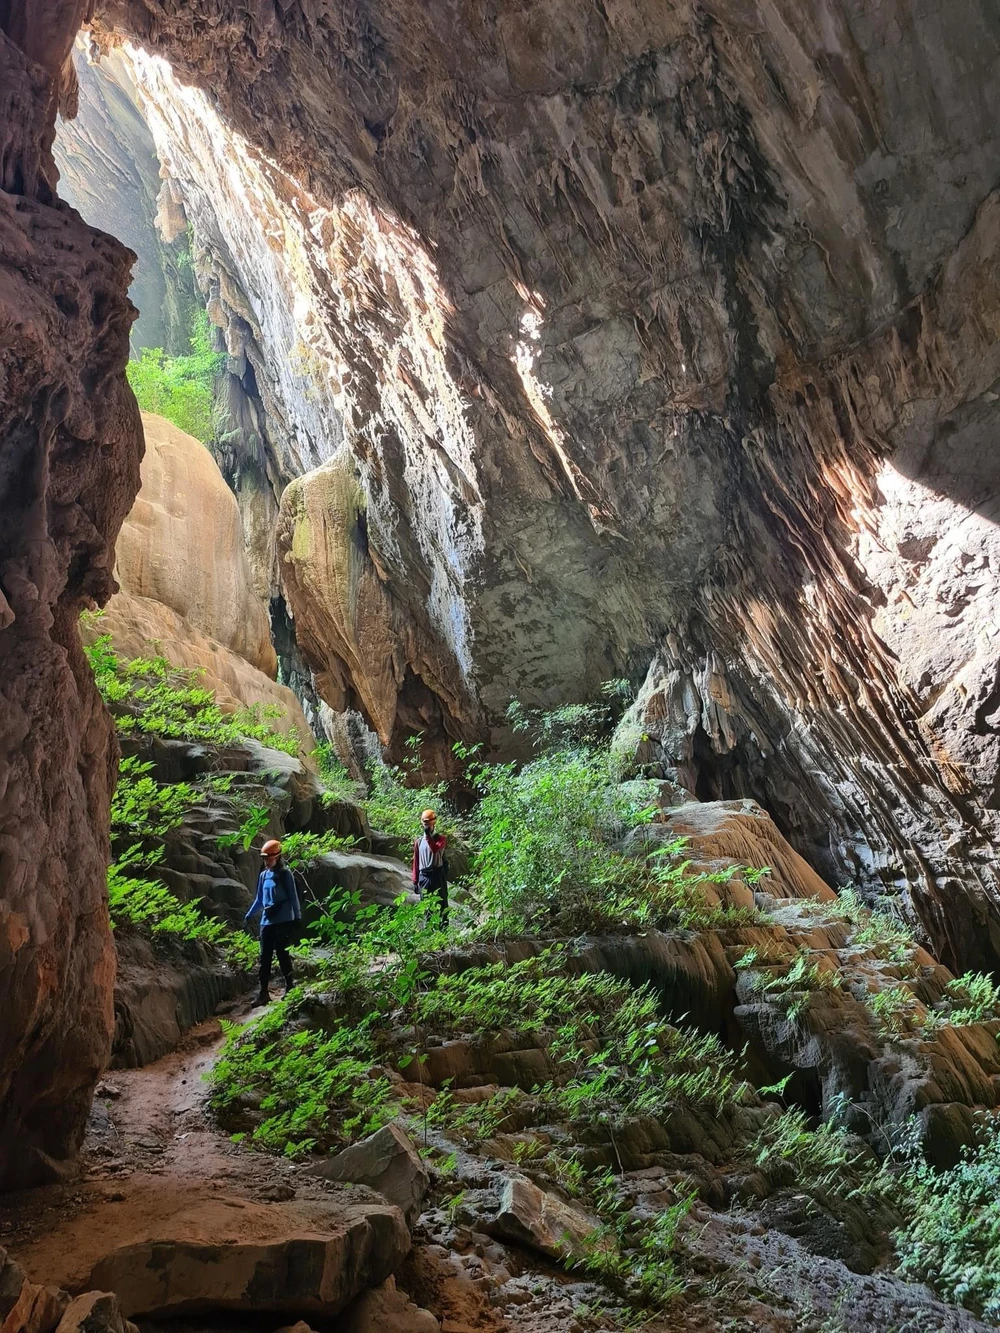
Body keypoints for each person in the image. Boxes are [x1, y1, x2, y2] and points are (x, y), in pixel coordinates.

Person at [245, 838, 301, 1005]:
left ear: (277, 857)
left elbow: (293, 897)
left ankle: (290, 986)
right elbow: (260, 900)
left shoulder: (285, 874)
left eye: (269, 858)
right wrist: (249, 915)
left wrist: (297, 917)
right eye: (264, 858)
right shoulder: (263, 876)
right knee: (265, 957)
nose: (266, 861)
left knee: (283, 954)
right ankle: (263, 993)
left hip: (283, 920)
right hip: (267, 921)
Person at [412, 808, 448, 927]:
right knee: (427, 908)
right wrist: (415, 881)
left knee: (442, 906)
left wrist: (428, 837)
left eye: (428, 824)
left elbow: (435, 849)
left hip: (437, 876)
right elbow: (416, 862)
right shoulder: (419, 841)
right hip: (424, 877)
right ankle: (429, 935)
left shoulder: (441, 839)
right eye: (425, 824)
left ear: (433, 824)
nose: (426, 826)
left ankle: (444, 933)